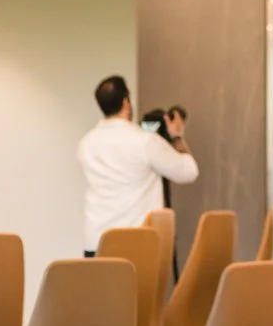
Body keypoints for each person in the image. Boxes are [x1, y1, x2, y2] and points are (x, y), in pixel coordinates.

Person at [78, 75, 197, 255]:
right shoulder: (145, 141)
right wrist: (177, 137)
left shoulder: (86, 143)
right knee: (142, 285)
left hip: (96, 243)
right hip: (135, 244)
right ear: (126, 102)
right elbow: (188, 172)